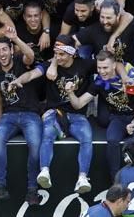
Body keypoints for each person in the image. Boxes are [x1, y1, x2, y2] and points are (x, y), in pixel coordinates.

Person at [67, 51, 134, 181]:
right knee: (112, 140)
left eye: (105, 67)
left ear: (113, 66)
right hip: (118, 118)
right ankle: (115, 180)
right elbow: (78, 104)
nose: (102, 71)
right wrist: (70, 93)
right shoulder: (99, 82)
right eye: (99, 68)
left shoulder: (130, 76)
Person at [0, 34, 43, 206]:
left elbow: (31, 56)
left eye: (4, 49)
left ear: (11, 50)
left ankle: (32, 190)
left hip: (30, 114)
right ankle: (0, 187)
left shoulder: (20, 60)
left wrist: (16, 39)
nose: (2, 54)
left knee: (35, 146)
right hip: (9, 116)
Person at [40, 35, 97, 192]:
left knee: (87, 137)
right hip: (55, 112)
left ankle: (83, 177)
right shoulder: (51, 65)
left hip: (77, 114)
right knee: (47, 134)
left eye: (62, 54)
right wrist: (52, 64)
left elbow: (108, 63)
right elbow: (32, 74)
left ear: (72, 53)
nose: (58, 57)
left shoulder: (84, 65)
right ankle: (44, 170)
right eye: (56, 54)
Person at [74, 0, 134, 86]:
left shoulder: (129, 26)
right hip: (108, 70)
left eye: (109, 18)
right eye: (102, 17)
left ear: (118, 16)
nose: (105, 21)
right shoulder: (93, 30)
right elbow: (73, 41)